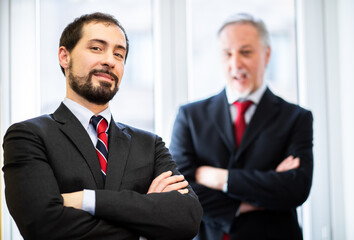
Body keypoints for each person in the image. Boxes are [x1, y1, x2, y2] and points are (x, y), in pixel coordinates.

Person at [3, 12, 202, 240]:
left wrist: (86, 199)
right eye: (97, 48)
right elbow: (42, 226)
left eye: (119, 54)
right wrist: (145, 221)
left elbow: (187, 218)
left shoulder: (150, 145)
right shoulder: (28, 136)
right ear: (64, 57)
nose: (110, 60)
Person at [170, 13, 313, 240]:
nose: (235, 63)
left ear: (266, 55)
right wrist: (255, 197)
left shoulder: (296, 118)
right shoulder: (190, 116)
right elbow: (178, 191)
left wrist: (219, 178)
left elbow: (295, 189)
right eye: (227, 54)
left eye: (246, 52)